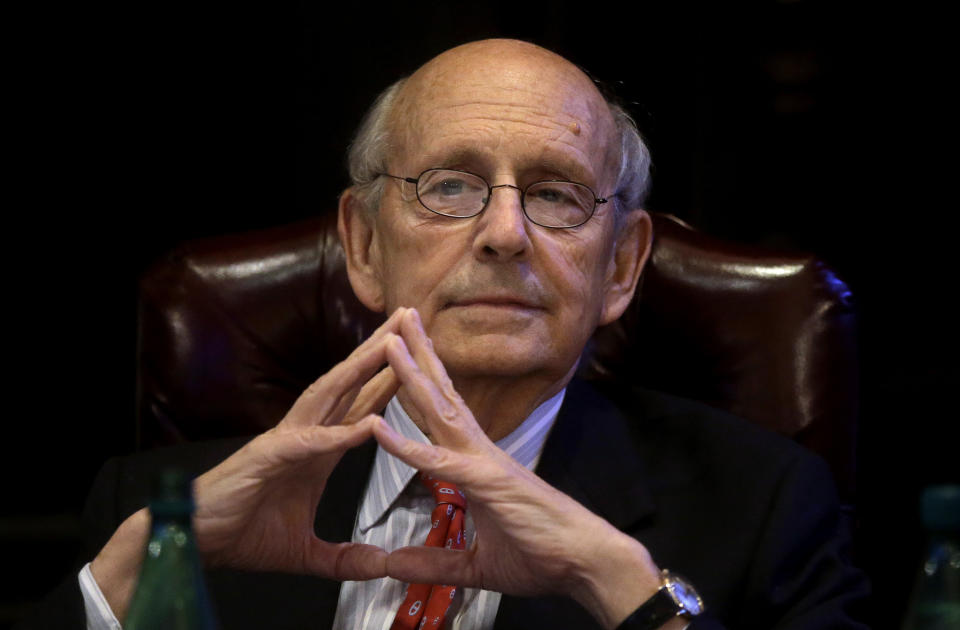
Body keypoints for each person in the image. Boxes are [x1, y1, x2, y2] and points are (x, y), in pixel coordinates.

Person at [23, 39, 868, 630]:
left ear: (620, 266)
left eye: (555, 194)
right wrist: (136, 567)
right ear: (361, 244)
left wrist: (617, 583)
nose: (505, 232)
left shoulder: (763, 509)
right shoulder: (162, 506)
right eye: (450, 186)